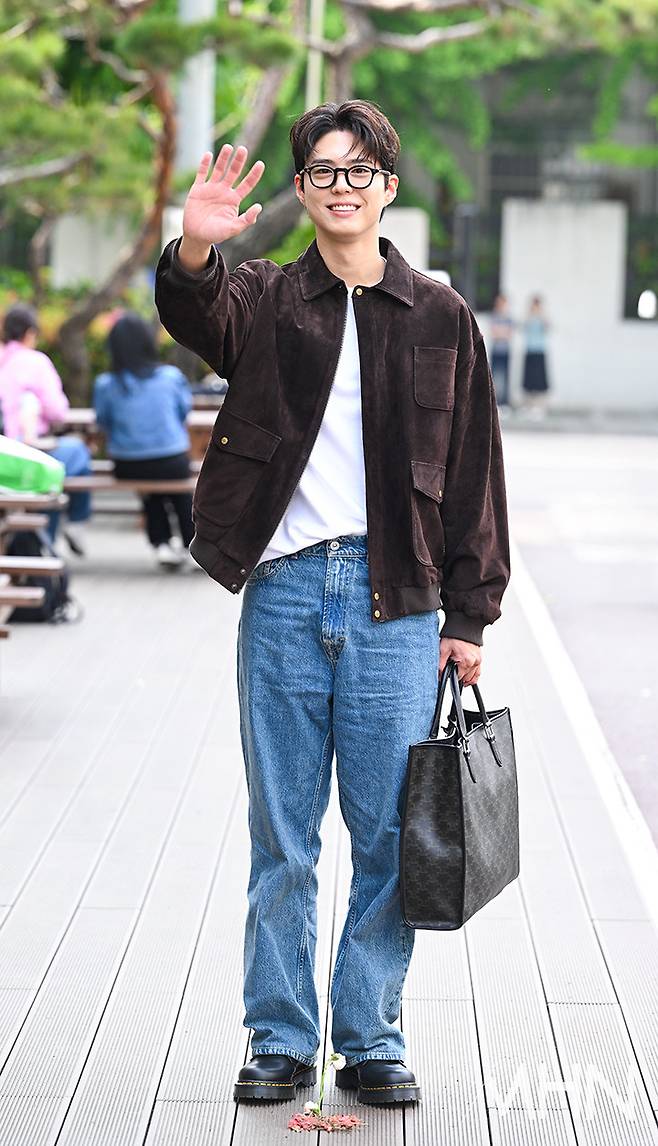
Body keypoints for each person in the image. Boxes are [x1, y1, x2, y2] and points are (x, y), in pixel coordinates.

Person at [155, 101, 510, 1106]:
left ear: (387, 187)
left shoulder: (440, 316)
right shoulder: (267, 298)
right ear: (303, 189)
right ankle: (278, 1036)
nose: (341, 186)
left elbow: (475, 471)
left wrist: (469, 618)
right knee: (283, 834)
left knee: (389, 835)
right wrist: (195, 247)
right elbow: (197, 312)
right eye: (322, 171)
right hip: (284, 591)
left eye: (359, 171)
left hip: (399, 602)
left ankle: (370, 1035)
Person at [93, 312, 195, 568]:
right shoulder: (170, 377)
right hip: (171, 459)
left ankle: (162, 544)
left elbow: (103, 421)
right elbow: (183, 411)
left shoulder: (106, 384)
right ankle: (192, 545)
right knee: (180, 490)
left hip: (127, 464)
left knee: (151, 492)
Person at [0, 303, 91, 554]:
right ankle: (73, 523)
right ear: (30, 333)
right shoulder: (36, 362)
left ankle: (39, 544)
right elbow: (57, 411)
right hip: (22, 455)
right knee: (72, 456)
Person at [521, 294, 550, 418]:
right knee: (529, 379)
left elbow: (548, 326)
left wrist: (541, 314)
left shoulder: (542, 318)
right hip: (529, 350)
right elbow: (523, 326)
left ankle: (540, 406)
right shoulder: (529, 317)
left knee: (540, 380)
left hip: (540, 351)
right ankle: (528, 406)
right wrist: (529, 314)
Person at [489, 292, 514, 410]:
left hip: (505, 351)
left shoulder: (508, 318)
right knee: (493, 377)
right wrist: (502, 332)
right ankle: (494, 402)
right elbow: (494, 333)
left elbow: (509, 334)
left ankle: (505, 403)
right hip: (496, 351)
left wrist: (501, 332)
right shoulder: (494, 316)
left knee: (505, 378)